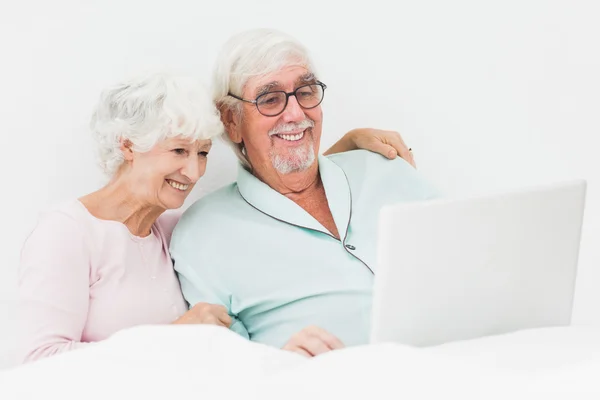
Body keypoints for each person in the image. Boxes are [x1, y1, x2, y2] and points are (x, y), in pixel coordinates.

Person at [17, 71, 415, 363]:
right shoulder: (67, 233)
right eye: (178, 152)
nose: (193, 173)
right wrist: (171, 338)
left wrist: (347, 146)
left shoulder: (173, 231)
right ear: (127, 146)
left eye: (203, 153)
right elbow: (38, 362)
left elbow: (278, 191)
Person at [170, 29, 441, 358]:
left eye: (306, 92)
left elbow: (469, 255)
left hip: (459, 357)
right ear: (231, 120)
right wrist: (282, 363)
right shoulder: (203, 234)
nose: (296, 114)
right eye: (270, 99)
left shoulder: (385, 168)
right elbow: (228, 365)